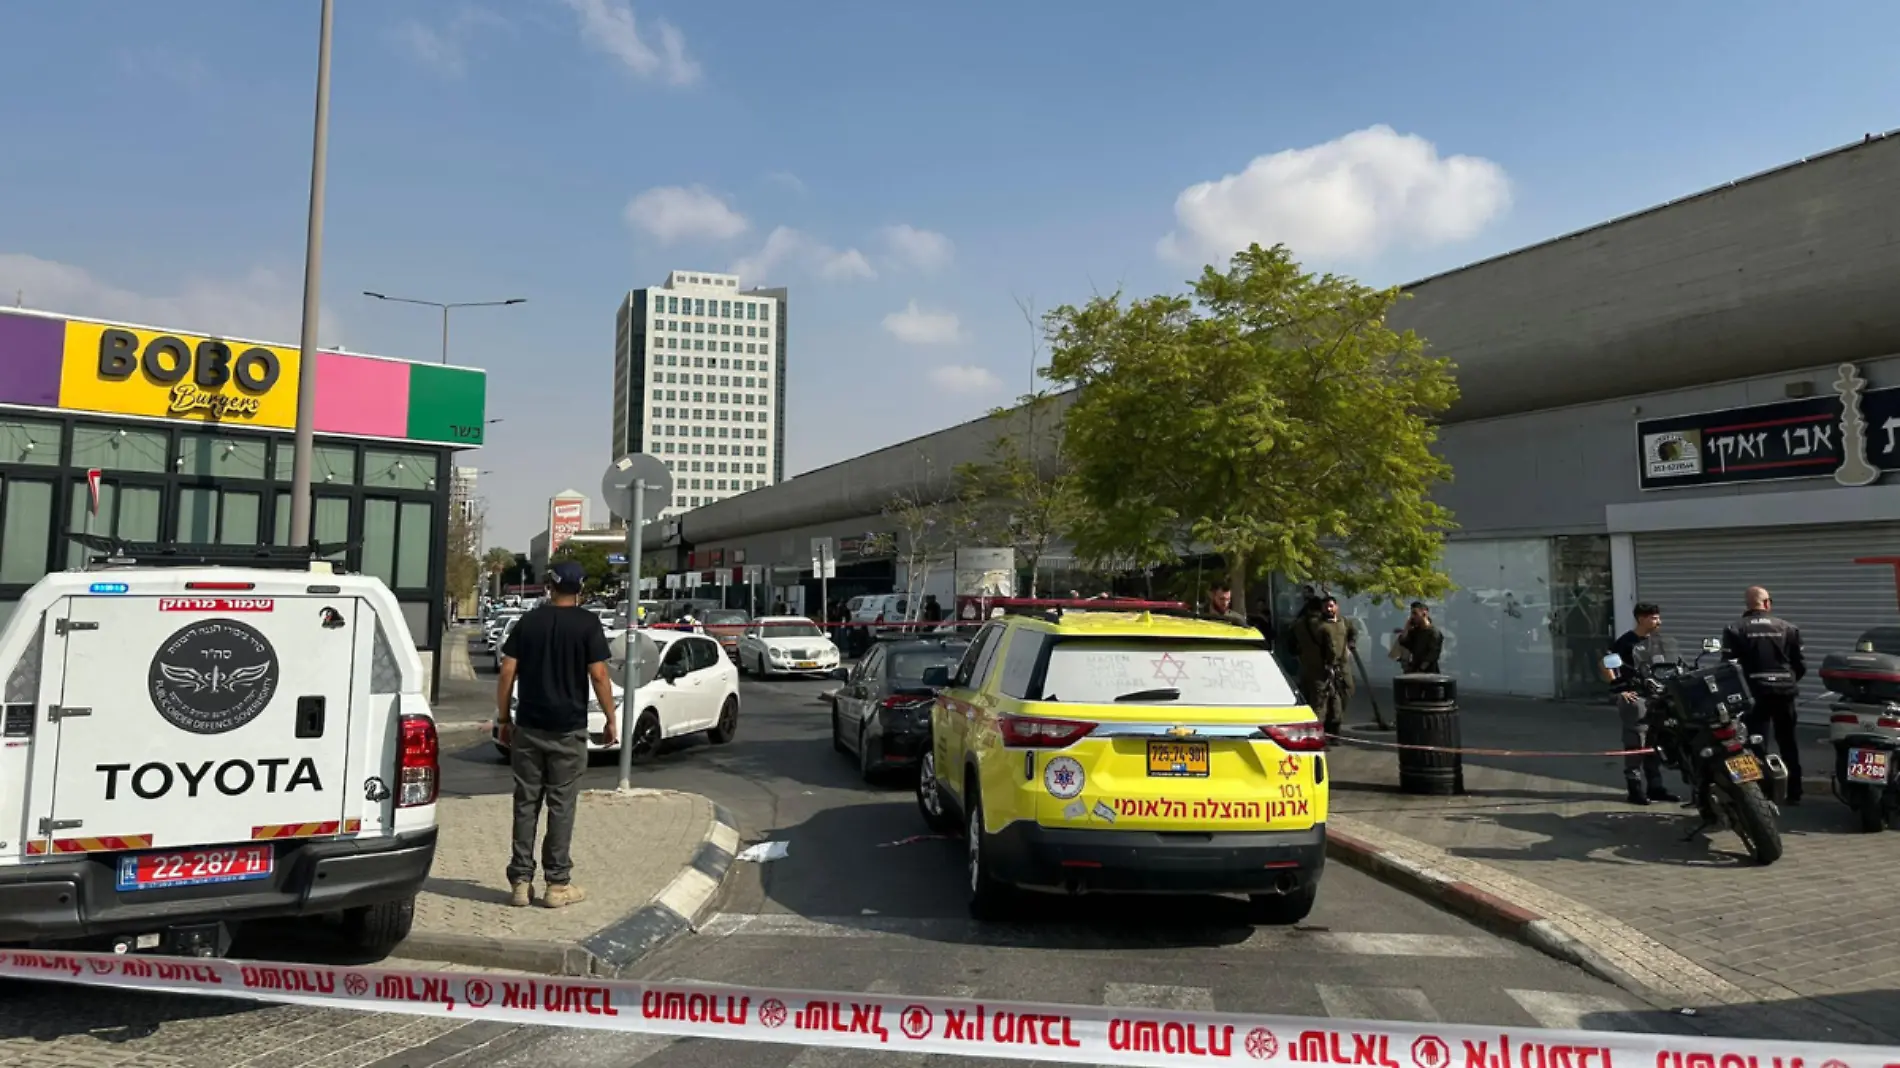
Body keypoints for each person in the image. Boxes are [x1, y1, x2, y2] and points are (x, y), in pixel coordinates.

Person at [495, 561, 617, 909]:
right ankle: (557, 885)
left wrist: (504, 718)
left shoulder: (528, 622)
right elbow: (599, 675)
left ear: (549, 586)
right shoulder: (588, 624)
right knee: (561, 806)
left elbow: (507, 672)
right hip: (568, 729)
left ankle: (520, 882)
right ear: (580, 589)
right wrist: (610, 718)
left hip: (529, 727)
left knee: (525, 803)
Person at [1722, 586, 1806, 803]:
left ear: (1747, 605)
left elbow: (1729, 667)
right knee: (1788, 741)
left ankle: (1758, 794)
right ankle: (1794, 792)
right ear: (1767, 603)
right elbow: (1800, 665)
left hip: (1753, 694)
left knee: (1753, 743)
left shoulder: (1734, 629)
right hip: (1784, 692)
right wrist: (1786, 681)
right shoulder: (1788, 628)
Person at [1603, 602, 1681, 807]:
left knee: (1656, 742)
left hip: (1658, 697)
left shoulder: (1658, 641)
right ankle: (1634, 789)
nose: (1658, 621)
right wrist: (1619, 689)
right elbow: (1605, 664)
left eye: (1658, 617)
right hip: (1636, 699)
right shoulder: (1626, 642)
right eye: (1654, 618)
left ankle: (1656, 787)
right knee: (1636, 742)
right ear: (1641, 618)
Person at [1300, 595, 1354, 736]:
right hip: (1324, 667)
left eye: (1331, 606)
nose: (1329, 609)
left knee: (1345, 694)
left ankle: (1333, 729)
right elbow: (1326, 647)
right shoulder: (1320, 626)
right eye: (1326, 607)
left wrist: (1350, 646)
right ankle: (1321, 734)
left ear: (1336, 607)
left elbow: (1352, 633)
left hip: (1341, 667)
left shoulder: (1344, 622)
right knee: (1321, 701)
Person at [1394, 601, 1444, 674]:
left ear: (1424, 613)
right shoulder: (1415, 632)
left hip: (1429, 673)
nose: (1412, 617)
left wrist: (1420, 670)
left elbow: (1432, 655)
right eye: (1411, 614)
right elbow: (1403, 642)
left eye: (1415, 613)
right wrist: (1407, 627)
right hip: (1414, 670)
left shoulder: (1434, 633)